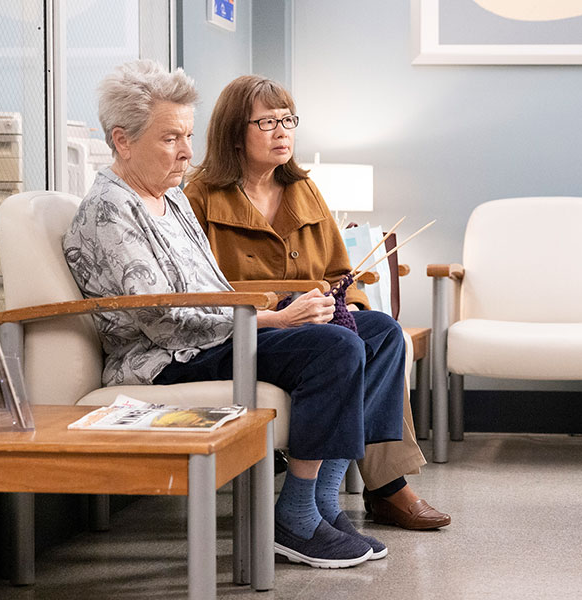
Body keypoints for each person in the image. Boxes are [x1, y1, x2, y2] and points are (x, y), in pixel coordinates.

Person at [63, 59, 406, 569]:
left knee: (379, 332)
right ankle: (294, 517)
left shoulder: (170, 200)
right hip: (166, 359)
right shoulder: (110, 211)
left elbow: (214, 289)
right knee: (335, 346)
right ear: (122, 140)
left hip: (213, 338)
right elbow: (162, 320)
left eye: (187, 135)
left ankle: (323, 504)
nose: (185, 152)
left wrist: (289, 309)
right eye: (169, 139)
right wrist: (273, 321)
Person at [183, 75, 451, 531]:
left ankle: (362, 491)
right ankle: (365, 492)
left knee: (383, 332)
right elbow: (198, 290)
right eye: (267, 122)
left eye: (288, 120)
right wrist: (284, 306)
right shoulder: (200, 197)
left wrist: (352, 308)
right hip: (254, 326)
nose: (283, 131)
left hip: (313, 315)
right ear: (233, 131)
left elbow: (339, 275)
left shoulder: (305, 189)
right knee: (339, 345)